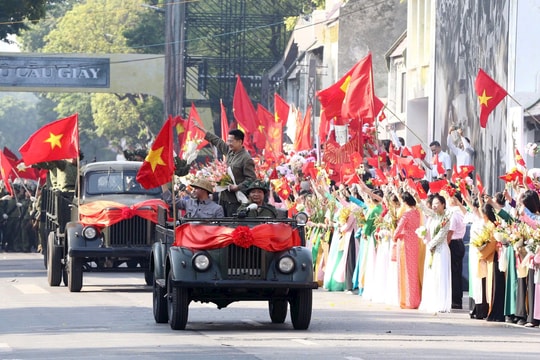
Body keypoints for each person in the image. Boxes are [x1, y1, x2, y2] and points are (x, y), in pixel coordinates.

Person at [195, 124, 256, 216]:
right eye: (228, 141)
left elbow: (251, 179)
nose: (228, 143)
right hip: (223, 198)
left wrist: (238, 187)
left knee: (231, 226)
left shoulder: (246, 158)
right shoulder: (229, 151)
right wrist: (203, 130)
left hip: (236, 201)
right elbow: (217, 141)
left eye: (231, 141)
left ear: (240, 141)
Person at [393, 191, 422, 309]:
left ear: (405, 202)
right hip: (415, 243)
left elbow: (398, 230)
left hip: (405, 244)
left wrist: (394, 237)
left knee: (405, 271)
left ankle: (407, 300)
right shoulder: (417, 213)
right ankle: (415, 299)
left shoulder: (406, 215)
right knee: (413, 272)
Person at [446, 193, 467, 310]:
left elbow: (450, 231)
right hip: (459, 242)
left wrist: (445, 244)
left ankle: (455, 299)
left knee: (453, 273)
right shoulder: (461, 212)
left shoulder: (454, 213)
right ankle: (457, 299)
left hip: (453, 243)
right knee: (457, 273)